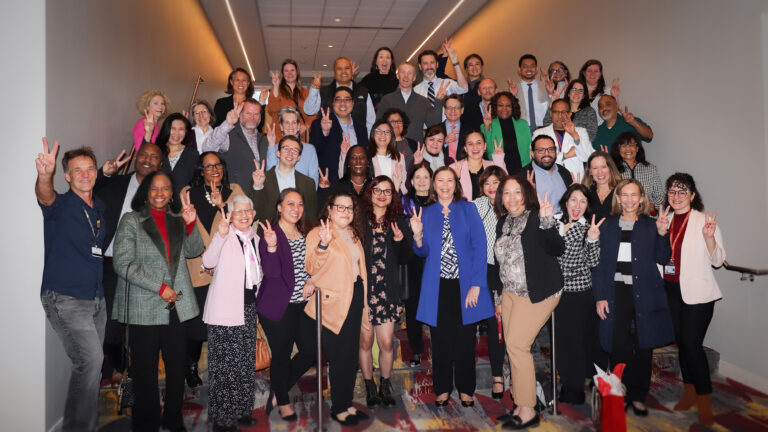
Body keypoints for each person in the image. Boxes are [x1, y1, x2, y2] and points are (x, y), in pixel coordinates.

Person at [112, 171, 204, 432]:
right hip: (144, 306)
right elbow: (122, 263)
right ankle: (146, 424)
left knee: (177, 368)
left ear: (172, 193)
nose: (160, 193)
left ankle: (173, 420)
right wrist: (159, 287)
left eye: (165, 188)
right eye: (154, 188)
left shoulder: (177, 218)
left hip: (176, 307)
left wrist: (190, 224)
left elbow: (194, 250)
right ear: (146, 192)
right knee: (145, 371)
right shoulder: (131, 220)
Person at [36, 140, 107, 432]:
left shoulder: (99, 208)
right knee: (92, 361)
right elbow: (45, 195)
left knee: (89, 367)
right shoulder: (61, 205)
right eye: (78, 170)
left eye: (90, 169)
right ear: (66, 176)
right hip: (65, 297)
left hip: (96, 300)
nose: (85, 174)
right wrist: (44, 175)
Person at [410, 166, 494, 407]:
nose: (445, 185)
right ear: (434, 185)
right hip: (437, 287)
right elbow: (422, 252)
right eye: (440, 180)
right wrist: (417, 235)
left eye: (449, 180)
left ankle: (466, 389)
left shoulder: (468, 209)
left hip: (466, 285)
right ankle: (442, 388)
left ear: (456, 184)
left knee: (466, 339)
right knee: (440, 340)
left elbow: (480, 247)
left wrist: (477, 284)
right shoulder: (426, 212)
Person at [593, 179, 674, 416]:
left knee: (644, 345)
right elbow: (599, 265)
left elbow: (663, 258)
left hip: (645, 292)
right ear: (618, 198)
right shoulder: (607, 226)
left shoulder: (651, 225)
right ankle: (621, 390)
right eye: (624, 195)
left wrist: (662, 233)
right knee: (618, 346)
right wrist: (600, 296)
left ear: (641, 198)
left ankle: (639, 395)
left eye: (634, 195)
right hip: (616, 293)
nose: (629, 200)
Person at [491, 174, 565, 430]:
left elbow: (557, 248)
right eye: (506, 192)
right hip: (510, 292)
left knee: (517, 346)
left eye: (517, 192)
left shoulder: (535, 218)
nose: (512, 197)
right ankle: (519, 406)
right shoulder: (503, 222)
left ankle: (529, 410)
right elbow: (499, 263)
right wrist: (498, 296)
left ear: (526, 194)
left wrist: (547, 221)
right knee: (513, 348)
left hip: (538, 291)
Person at [95, 142, 163, 385]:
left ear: (160, 164)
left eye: (153, 157)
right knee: (111, 323)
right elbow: (90, 192)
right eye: (143, 154)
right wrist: (103, 174)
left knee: (139, 325)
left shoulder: (163, 191)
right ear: (136, 158)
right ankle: (116, 367)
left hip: (144, 267)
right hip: (111, 264)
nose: (147, 159)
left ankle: (135, 374)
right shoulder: (116, 183)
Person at [304, 191, 371, 426]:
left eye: (350, 208)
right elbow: (311, 266)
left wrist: (365, 302)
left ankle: (347, 403)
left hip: (355, 298)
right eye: (340, 207)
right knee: (340, 357)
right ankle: (339, 408)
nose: (346, 212)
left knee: (350, 357)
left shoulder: (353, 233)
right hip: (333, 303)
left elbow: (360, 269)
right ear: (330, 210)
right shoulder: (317, 232)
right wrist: (323, 243)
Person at [663, 173, 725, 426]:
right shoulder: (664, 220)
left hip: (698, 294)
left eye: (682, 191)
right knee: (682, 344)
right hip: (670, 292)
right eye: (672, 191)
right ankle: (689, 392)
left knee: (691, 344)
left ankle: (704, 399)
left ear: (692, 195)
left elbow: (718, 260)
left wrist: (709, 237)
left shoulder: (704, 221)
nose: (676, 196)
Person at [180, 152, 244, 388]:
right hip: (196, 266)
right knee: (196, 325)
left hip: (226, 270)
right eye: (208, 166)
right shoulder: (188, 193)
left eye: (218, 165)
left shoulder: (234, 191)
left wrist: (222, 205)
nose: (214, 169)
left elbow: (242, 222)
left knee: (221, 324)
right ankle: (191, 366)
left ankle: (221, 371)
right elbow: (185, 227)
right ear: (201, 170)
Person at [202, 193, 262, 431]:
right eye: (239, 211)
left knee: (244, 363)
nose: (244, 215)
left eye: (248, 211)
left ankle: (242, 411)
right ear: (230, 214)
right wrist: (219, 235)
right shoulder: (224, 235)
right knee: (224, 367)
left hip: (248, 308)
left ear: (254, 214)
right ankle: (222, 419)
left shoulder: (256, 239)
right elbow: (208, 262)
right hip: (224, 311)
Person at [258, 189, 317, 421]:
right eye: (290, 203)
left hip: (303, 305)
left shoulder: (306, 232)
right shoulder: (270, 234)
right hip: (278, 305)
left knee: (310, 351)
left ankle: (277, 391)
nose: (296, 208)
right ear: (279, 207)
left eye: (300, 204)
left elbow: (314, 264)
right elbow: (272, 273)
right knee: (281, 354)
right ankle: (283, 402)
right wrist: (272, 247)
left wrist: (313, 279)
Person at [359, 176, 413, 407]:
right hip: (363, 292)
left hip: (387, 291)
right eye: (377, 190)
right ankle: (369, 386)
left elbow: (406, 258)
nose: (382, 195)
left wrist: (400, 240)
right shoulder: (359, 220)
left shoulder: (398, 221)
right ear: (370, 193)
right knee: (364, 342)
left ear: (393, 196)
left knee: (387, 343)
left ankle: (385, 384)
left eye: (387, 191)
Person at [553, 184, 603, 405]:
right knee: (561, 341)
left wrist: (592, 240)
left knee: (575, 341)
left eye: (583, 201)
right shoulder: (553, 222)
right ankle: (568, 381)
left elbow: (593, 262)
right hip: (554, 292)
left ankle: (574, 389)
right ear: (566, 201)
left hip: (578, 292)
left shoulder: (587, 228)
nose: (577, 205)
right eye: (573, 199)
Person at [472, 166, 508, 399]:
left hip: (506, 272)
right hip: (481, 269)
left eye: (496, 182)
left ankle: (498, 376)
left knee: (498, 325)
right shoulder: (477, 205)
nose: (491, 187)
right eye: (487, 183)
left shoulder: (511, 203)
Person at [401, 162, 433, 366]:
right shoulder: (404, 202)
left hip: (434, 260)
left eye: (426, 177)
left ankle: (438, 345)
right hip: (412, 260)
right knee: (412, 307)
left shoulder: (438, 200)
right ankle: (416, 349)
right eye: (417, 177)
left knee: (436, 304)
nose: (421, 181)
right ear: (411, 181)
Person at [203, 98, 269, 192]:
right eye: (248, 113)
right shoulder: (229, 134)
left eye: (256, 114)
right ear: (240, 114)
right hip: (234, 196)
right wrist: (228, 123)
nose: (252, 117)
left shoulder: (264, 139)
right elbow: (207, 148)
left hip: (259, 195)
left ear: (260, 117)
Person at [252, 135, 318, 224]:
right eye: (286, 149)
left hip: (298, 231)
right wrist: (258, 186)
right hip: (269, 230)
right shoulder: (261, 179)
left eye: (295, 151)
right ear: (278, 153)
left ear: (299, 157)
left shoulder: (308, 183)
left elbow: (311, 217)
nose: (290, 153)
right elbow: (254, 214)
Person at [309, 87, 369, 184]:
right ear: (333, 103)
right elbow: (314, 152)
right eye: (338, 99)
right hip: (331, 183)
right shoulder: (320, 123)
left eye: (347, 99)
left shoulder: (361, 128)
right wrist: (325, 132)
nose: (342, 103)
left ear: (353, 103)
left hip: (358, 183)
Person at [303, 56, 375, 134]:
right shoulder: (324, 92)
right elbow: (309, 111)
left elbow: (371, 121)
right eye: (339, 68)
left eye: (347, 68)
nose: (343, 71)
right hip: (329, 139)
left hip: (357, 139)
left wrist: (366, 139)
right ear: (334, 73)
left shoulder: (363, 92)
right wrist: (314, 89)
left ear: (352, 71)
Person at [377, 62, 444, 144]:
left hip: (416, 149)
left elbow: (434, 125)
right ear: (398, 76)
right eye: (403, 72)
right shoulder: (387, 100)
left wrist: (438, 101)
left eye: (410, 73)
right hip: (392, 147)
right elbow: (379, 126)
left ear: (414, 77)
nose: (406, 76)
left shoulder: (423, 101)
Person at [533, 98, 594, 179]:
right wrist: (565, 155)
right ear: (551, 113)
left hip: (575, 179)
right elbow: (537, 159)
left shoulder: (580, 131)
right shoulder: (539, 133)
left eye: (564, 112)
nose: (560, 116)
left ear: (570, 114)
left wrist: (574, 134)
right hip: (548, 178)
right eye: (556, 112)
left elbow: (588, 157)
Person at [345, 119, 407, 193]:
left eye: (387, 132)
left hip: (394, 196)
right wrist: (345, 154)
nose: (383, 135)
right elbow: (346, 175)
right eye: (379, 131)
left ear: (391, 135)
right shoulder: (365, 155)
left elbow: (403, 185)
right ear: (373, 134)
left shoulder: (399, 156)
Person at [265, 106, 319, 188]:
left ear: (298, 126)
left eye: (294, 122)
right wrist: (271, 146)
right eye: (287, 122)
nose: (290, 126)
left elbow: (314, 180)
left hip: (303, 194)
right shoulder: (274, 148)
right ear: (281, 127)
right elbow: (270, 176)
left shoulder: (309, 150)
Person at [480, 91, 532, 175]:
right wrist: (487, 126)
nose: (504, 108)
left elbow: (530, 147)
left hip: (523, 169)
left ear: (513, 107)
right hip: (499, 170)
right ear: (495, 107)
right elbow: (489, 151)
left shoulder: (523, 124)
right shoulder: (487, 126)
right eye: (500, 105)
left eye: (508, 105)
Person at [147, 112, 199, 196]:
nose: (176, 133)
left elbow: (196, 181)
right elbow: (144, 168)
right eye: (173, 128)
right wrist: (148, 133)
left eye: (181, 129)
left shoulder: (192, 154)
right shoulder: (157, 151)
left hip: (181, 202)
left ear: (186, 132)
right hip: (157, 199)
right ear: (166, 129)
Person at [611, 131, 664, 210]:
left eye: (631, 145)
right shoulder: (612, 169)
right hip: (622, 214)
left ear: (637, 148)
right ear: (618, 149)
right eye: (624, 145)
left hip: (646, 214)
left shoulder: (650, 169)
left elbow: (660, 196)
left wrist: (653, 206)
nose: (628, 149)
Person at [266, 59, 315, 142]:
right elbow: (272, 109)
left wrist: (306, 125)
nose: (289, 73)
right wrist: (276, 86)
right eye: (286, 71)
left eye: (292, 70)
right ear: (283, 74)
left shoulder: (306, 92)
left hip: (300, 137)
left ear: (297, 72)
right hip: (280, 137)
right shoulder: (276, 90)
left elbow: (313, 113)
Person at [449, 131, 506, 200]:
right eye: (470, 144)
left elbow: (506, 187)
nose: (475, 147)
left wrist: (499, 160)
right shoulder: (454, 168)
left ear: (485, 146)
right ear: (465, 148)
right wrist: (457, 179)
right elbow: (449, 195)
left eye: (478, 143)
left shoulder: (493, 166)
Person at [523, 136, 574, 213]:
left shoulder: (564, 172)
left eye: (551, 149)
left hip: (565, 218)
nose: (547, 153)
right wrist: (529, 194)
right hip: (540, 220)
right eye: (541, 150)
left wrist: (576, 191)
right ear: (532, 153)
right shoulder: (522, 177)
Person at [414, 40, 469, 108]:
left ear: (437, 64)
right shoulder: (415, 91)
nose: (429, 67)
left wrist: (455, 61)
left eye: (432, 62)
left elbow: (464, 88)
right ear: (420, 66)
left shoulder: (446, 83)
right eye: (425, 63)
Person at [510, 54, 549, 133]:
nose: (529, 69)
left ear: (536, 69)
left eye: (532, 66)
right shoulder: (513, 89)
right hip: (523, 129)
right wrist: (512, 96)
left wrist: (550, 93)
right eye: (525, 66)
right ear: (519, 70)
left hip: (544, 128)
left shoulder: (546, 86)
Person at [577, 59, 620, 125]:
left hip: (602, 129)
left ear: (600, 74)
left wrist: (615, 97)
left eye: (596, 71)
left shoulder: (608, 91)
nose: (592, 74)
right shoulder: (576, 92)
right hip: (579, 129)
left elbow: (617, 114)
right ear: (584, 73)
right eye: (589, 71)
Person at [583, 151, 623, 221]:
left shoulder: (622, 191)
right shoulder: (585, 193)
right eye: (595, 168)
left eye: (603, 167)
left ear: (610, 168)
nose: (600, 172)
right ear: (590, 172)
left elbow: (631, 218)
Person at [460, 53, 486, 131]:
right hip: (463, 127)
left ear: (481, 67)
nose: (474, 68)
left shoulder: (488, 85)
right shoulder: (460, 85)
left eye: (477, 64)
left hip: (483, 127)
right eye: (470, 65)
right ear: (466, 68)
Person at [443, 94, 469, 161]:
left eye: (456, 107)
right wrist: (444, 142)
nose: (453, 110)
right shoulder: (436, 130)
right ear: (445, 111)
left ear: (462, 110)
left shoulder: (470, 131)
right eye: (449, 107)